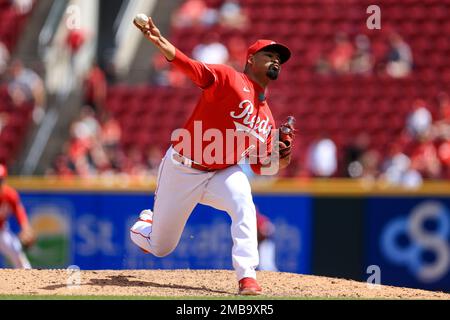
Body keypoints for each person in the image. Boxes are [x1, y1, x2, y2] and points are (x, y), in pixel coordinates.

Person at [130, 16, 294, 295]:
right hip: (183, 169)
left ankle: (247, 277)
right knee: (160, 248)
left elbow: (260, 165)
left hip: (223, 172)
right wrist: (160, 41)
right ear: (251, 59)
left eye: (280, 58)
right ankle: (148, 221)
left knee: (244, 201)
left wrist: (282, 155)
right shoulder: (230, 78)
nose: (276, 60)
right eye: (270, 55)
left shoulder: (267, 118)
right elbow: (192, 68)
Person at [0, 164, 36, 269]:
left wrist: (26, 228)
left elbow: (19, 212)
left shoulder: (10, 195)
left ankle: (28, 280)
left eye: (0, 180)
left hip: (1, 232)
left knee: (17, 252)